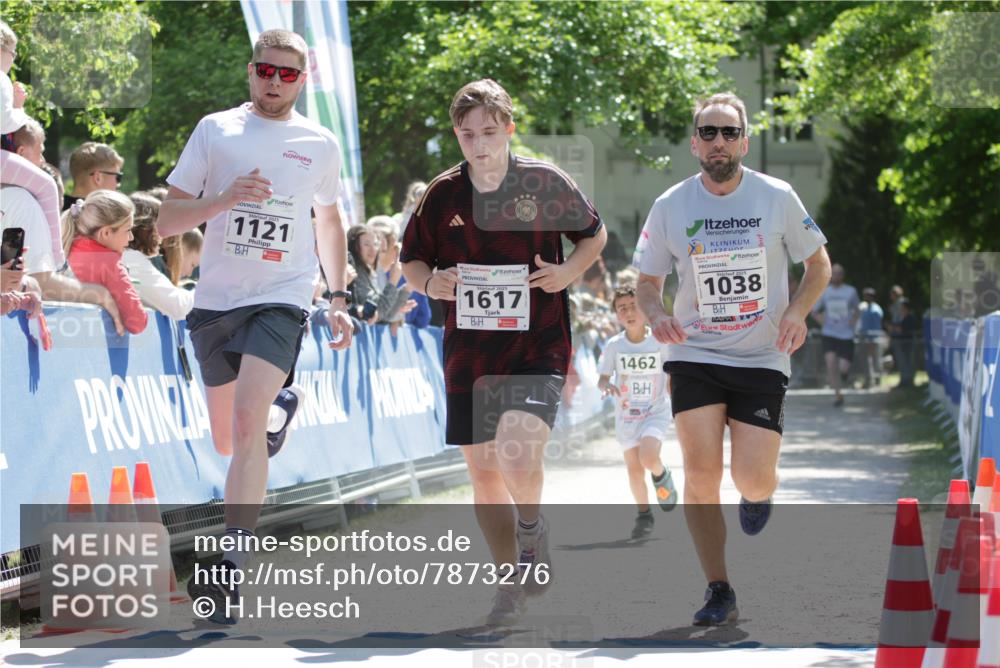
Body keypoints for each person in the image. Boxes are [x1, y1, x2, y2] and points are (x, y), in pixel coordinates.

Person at [155, 28, 353, 625]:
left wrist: (339, 296)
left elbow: (330, 222)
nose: (275, 82)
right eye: (267, 70)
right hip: (215, 300)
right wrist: (222, 201)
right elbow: (166, 220)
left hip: (282, 297)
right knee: (227, 441)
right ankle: (276, 415)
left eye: (288, 74)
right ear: (251, 71)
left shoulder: (318, 142)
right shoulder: (216, 130)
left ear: (302, 79)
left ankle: (233, 566)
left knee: (243, 424)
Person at [401, 78, 606, 624]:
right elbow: (412, 261)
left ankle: (532, 525)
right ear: (456, 136)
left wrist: (567, 272)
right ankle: (507, 585)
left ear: (509, 128)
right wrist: (429, 285)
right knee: (485, 471)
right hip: (468, 351)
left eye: (489, 132)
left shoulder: (543, 181)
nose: (479, 144)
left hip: (537, 341)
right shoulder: (441, 194)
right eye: (467, 135)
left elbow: (594, 234)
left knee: (517, 452)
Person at [634, 92, 831, 626]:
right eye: (708, 132)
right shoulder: (671, 205)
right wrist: (655, 315)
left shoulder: (777, 196)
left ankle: (758, 493)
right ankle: (719, 587)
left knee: (753, 479)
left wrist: (796, 313)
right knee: (700, 475)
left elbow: (818, 265)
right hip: (693, 351)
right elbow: (647, 283)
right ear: (694, 142)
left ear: (744, 140)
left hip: (762, 355)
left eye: (728, 132)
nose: (718, 141)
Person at [597, 285, 678, 540]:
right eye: (622, 308)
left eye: (633, 306)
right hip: (627, 416)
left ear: (643, 309)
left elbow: (672, 371)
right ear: (616, 315)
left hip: (655, 411)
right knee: (634, 471)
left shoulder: (658, 341)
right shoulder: (614, 346)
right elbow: (603, 378)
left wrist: (675, 387)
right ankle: (644, 515)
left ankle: (661, 475)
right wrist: (606, 385)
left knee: (649, 457)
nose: (629, 312)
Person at [64, 191, 147, 335]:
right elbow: (137, 323)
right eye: (128, 230)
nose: (131, 238)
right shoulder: (110, 263)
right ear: (106, 233)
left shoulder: (66, 248)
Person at [121, 192, 194, 319]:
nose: (164, 234)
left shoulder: (126, 257)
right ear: (145, 227)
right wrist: (206, 291)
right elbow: (178, 306)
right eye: (160, 224)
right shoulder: (131, 260)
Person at [811, 263, 860, 406]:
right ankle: (838, 396)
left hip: (846, 335)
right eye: (834, 273)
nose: (836, 276)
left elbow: (857, 310)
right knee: (831, 363)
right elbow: (814, 311)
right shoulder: (825, 292)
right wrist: (822, 320)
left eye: (839, 273)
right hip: (829, 333)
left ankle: (844, 375)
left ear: (843, 276)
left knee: (843, 367)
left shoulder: (851, 291)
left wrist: (853, 321)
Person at [346, 224, 401, 325]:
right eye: (367, 244)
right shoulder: (354, 271)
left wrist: (407, 289)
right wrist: (393, 280)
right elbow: (379, 309)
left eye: (375, 244)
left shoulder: (368, 271)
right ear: (354, 246)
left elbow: (384, 312)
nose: (373, 250)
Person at [64, 142, 124, 211]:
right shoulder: (107, 218)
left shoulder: (55, 209)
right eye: (118, 177)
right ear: (98, 178)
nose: (118, 184)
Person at [857, 287, 884, 389]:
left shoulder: (876, 310)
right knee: (867, 361)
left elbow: (877, 326)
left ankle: (876, 380)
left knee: (875, 360)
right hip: (864, 339)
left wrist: (873, 338)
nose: (865, 297)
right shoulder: (864, 309)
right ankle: (869, 380)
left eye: (867, 295)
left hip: (873, 339)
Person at [890, 297, 918, 388]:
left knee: (907, 362)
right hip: (900, 344)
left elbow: (903, 330)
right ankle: (904, 380)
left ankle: (908, 381)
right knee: (902, 363)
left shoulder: (910, 318)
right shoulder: (901, 318)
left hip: (907, 345)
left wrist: (894, 328)